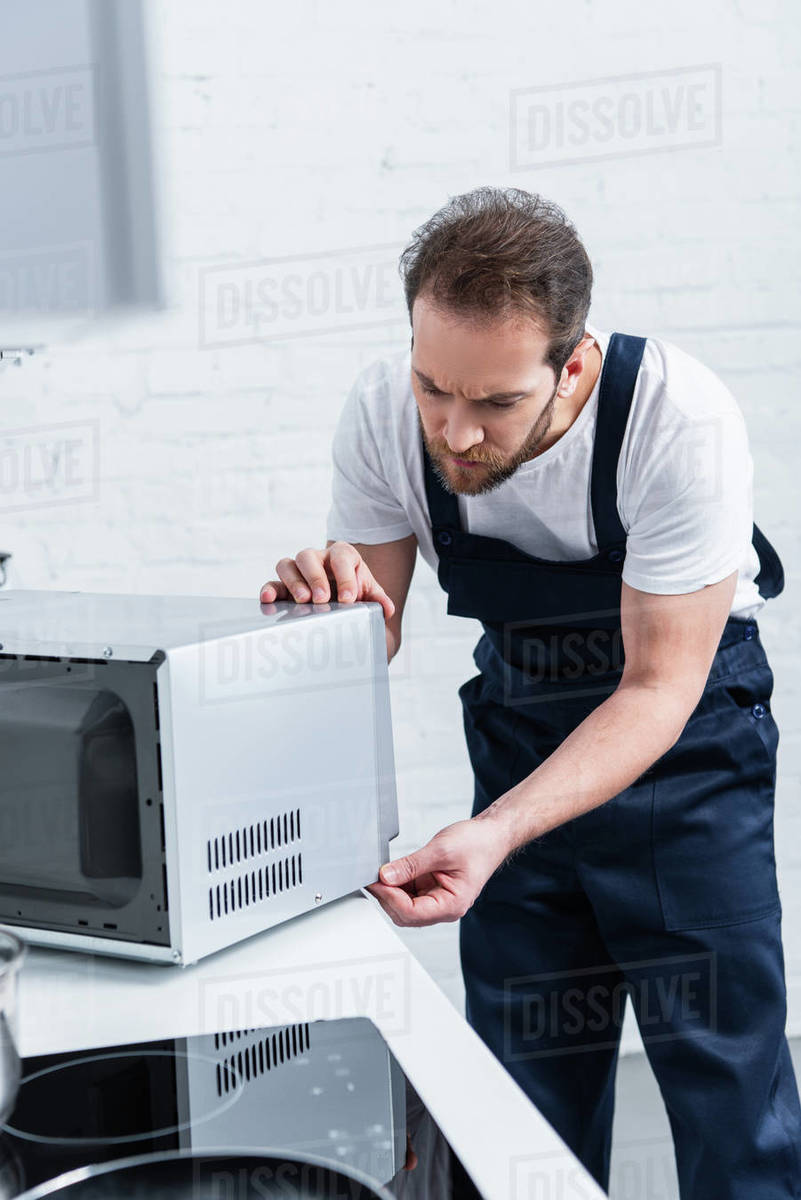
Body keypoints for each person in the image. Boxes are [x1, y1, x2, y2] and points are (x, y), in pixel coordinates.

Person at [259, 187, 801, 1198]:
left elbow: (657, 685)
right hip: (520, 738)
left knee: (731, 1098)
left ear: (574, 368)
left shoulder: (675, 421)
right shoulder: (385, 416)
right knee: (511, 1104)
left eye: (498, 402)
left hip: (690, 763)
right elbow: (368, 631)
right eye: (436, 389)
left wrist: (497, 833)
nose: (456, 434)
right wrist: (318, 614)